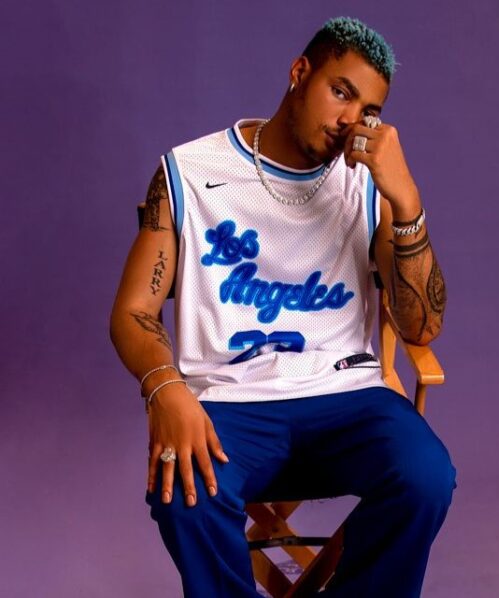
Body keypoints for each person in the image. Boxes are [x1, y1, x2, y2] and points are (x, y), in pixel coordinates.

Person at [108, 16, 455, 597]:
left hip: (346, 397)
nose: (349, 120)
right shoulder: (188, 173)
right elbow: (132, 313)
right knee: (184, 491)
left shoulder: (369, 185)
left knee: (426, 476)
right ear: (299, 73)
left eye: (367, 110)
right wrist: (166, 389)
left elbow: (423, 326)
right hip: (229, 404)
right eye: (340, 92)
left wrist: (408, 200)